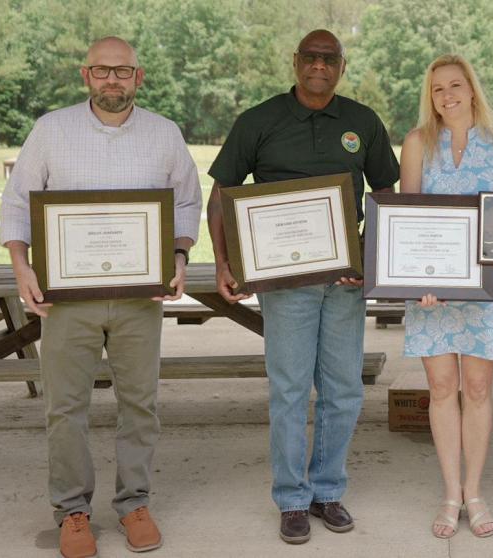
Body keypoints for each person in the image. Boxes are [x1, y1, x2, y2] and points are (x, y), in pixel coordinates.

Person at [0, 37, 202, 558]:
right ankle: (72, 511)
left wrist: (177, 259)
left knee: (141, 404)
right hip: (65, 299)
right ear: (86, 74)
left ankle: (134, 502)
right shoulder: (52, 129)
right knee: (65, 407)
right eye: (102, 71)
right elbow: (19, 201)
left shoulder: (164, 133)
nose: (113, 80)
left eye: (123, 72)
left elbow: (185, 201)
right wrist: (22, 267)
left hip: (140, 298)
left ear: (140, 76)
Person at [207, 29, 399, 545]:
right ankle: (292, 497)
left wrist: (367, 253)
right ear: (296, 62)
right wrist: (225, 262)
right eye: (310, 58)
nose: (319, 66)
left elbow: (384, 193)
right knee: (290, 390)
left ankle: (328, 490)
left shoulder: (362, 122)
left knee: (343, 390)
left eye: (329, 59)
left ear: (342, 65)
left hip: (344, 281)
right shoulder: (259, 121)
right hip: (285, 283)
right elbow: (221, 194)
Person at [398, 54, 493, 539]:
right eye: (437, 89)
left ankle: (475, 490)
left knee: (479, 390)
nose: (447, 95)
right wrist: (413, 279)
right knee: (443, 389)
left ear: (472, 88)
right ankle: (451, 494)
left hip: (486, 288)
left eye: (455, 85)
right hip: (431, 291)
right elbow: (405, 223)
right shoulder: (416, 144)